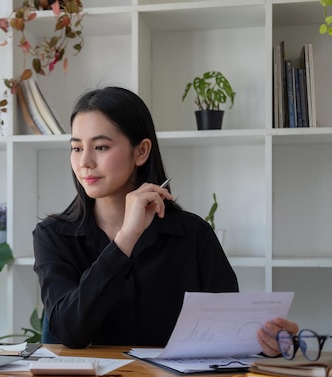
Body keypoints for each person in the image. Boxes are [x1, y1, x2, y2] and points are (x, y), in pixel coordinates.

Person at [32, 86, 297, 356]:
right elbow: (69, 332)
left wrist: (268, 342)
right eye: (77, 148)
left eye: (100, 146)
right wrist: (126, 238)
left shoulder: (193, 235)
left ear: (141, 151)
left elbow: (226, 334)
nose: (85, 162)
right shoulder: (53, 236)